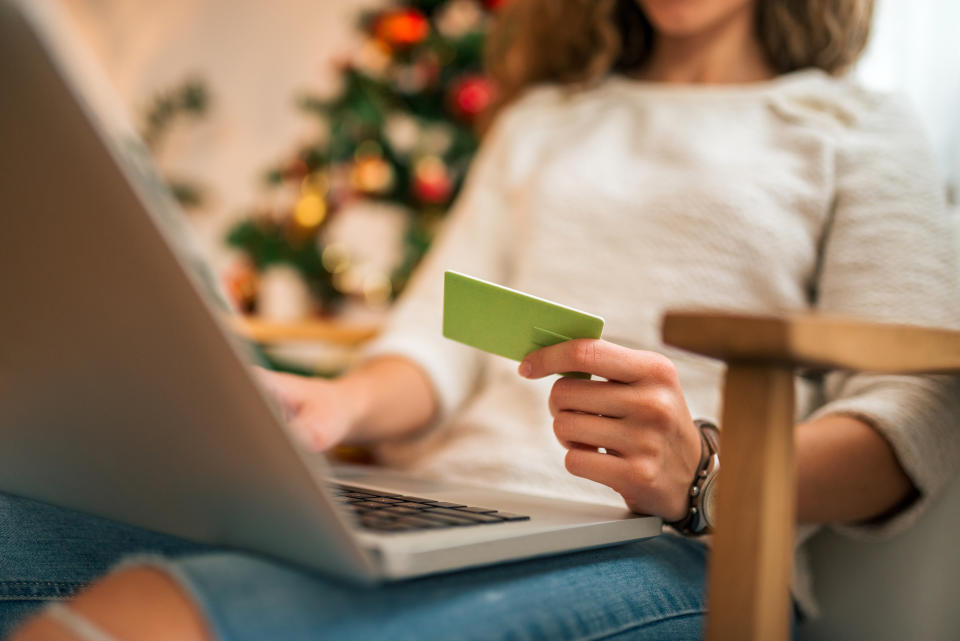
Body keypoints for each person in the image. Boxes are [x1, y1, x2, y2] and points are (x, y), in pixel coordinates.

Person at [6, 0, 960, 639]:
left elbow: (915, 409)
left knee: (153, 616)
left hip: (682, 560)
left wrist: (706, 473)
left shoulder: (853, 127)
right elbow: (435, 340)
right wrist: (330, 411)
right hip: (450, 511)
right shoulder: (544, 122)